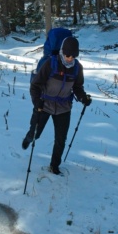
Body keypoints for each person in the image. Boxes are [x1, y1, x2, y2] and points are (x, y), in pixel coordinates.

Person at [22, 36, 92, 174]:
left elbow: (77, 87)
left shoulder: (77, 68)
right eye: (67, 55)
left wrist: (83, 98)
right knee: (36, 133)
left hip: (63, 107)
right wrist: (37, 102)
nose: (70, 58)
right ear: (62, 52)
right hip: (44, 105)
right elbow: (35, 86)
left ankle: (54, 166)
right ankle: (29, 138)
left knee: (60, 139)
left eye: (73, 56)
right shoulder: (50, 64)